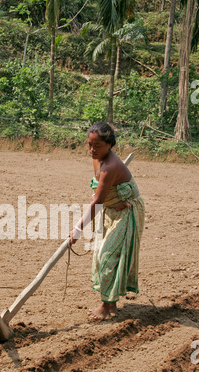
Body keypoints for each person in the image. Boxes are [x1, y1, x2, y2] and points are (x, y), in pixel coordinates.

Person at [69, 122, 145, 322]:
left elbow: (97, 201)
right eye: (89, 145)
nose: (92, 150)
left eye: (98, 146)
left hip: (126, 214)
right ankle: (111, 304)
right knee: (100, 254)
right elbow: (100, 197)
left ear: (110, 145)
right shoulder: (98, 159)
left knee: (107, 256)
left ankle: (104, 306)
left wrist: (77, 229)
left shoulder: (111, 166)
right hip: (110, 212)